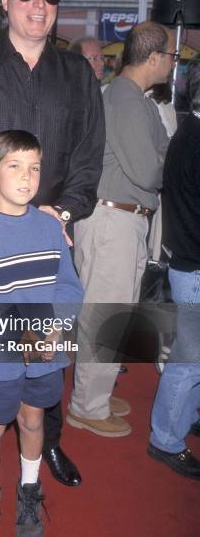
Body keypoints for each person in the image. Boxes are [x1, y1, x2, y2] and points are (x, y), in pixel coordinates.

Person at [0, 0, 105, 487]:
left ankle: (49, 445)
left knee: (47, 345)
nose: (40, 3)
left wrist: (59, 211)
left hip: (51, 234)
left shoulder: (77, 73)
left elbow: (89, 156)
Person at [0, 130, 83, 536]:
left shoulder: (48, 228)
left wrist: (58, 326)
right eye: (14, 167)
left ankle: (29, 489)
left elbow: (68, 285)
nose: (26, 178)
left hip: (46, 349)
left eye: (34, 168)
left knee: (33, 420)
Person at [67, 21, 174, 436]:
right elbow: (150, 169)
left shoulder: (135, 98)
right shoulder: (127, 100)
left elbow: (160, 156)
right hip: (113, 220)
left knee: (117, 315)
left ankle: (96, 393)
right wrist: (171, 168)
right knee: (106, 316)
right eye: (169, 55)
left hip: (124, 219)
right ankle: (87, 406)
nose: (171, 63)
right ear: (152, 57)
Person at [147, 59, 200, 479]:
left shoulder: (190, 133)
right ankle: (166, 438)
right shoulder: (195, 141)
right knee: (189, 361)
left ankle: (182, 419)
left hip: (189, 262)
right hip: (194, 266)